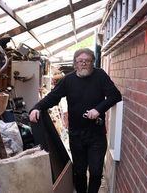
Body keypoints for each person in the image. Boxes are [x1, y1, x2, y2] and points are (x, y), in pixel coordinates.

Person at [29, 48, 122, 193]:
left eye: (87, 61)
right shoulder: (68, 80)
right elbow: (53, 97)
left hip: (96, 134)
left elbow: (115, 96)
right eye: (80, 61)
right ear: (75, 64)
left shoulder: (100, 76)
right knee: (79, 172)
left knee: (96, 171)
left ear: (93, 63)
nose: (84, 64)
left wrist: (98, 109)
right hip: (76, 135)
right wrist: (37, 107)